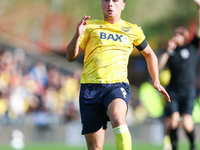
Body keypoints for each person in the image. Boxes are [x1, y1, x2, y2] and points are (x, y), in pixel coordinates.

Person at [66, 0, 170, 150]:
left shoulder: (132, 30)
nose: (110, 4)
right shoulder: (90, 27)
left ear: (123, 5)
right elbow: (71, 57)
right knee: (95, 147)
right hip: (90, 88)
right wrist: (77, 35)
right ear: (101, 4)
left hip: (116, 85)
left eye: (115, 1)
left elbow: (150, 54)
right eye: (106, 0)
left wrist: (156, 81)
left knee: (118, 117)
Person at [158, 1, 200, 150]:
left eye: (180, 34)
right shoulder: (170, 51)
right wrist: (168, 51)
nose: (178, 37)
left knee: (188, 123)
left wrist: (199, 7)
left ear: (186, 35)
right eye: (175, 34)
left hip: (188, 90)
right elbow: (159, 66)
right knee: (174, 121)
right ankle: (174, 147)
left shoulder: (193, 46)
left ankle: (193, 146)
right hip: (173, 91)